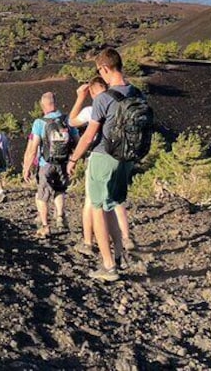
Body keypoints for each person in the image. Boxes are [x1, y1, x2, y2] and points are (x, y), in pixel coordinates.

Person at [67, 48, 147, 282]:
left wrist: (73, 159)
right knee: (111, 204)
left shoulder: (104, 98)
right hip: (127, 158)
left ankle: (108, 265)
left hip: (104, 157)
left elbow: (89, 135)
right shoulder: (137, 93)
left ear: (104, 69)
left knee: (97, 207)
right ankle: (119, 254)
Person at [69, 76, 136, 256]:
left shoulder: (94, 107)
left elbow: (72, 121)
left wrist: (79, 98)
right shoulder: (120, 103)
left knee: (92, 202)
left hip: (100, 157)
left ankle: (88, 242)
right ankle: (126, 238)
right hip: (123, 156)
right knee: (116, 201)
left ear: (91, 91)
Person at [23, 92, 77, 238]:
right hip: (63, 162)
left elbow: (33, 147)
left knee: (42, 196)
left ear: (43, 105)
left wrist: (27, 167)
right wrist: (73, 159)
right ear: (55, 103)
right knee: (60, 189)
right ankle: (60, 216)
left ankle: (45, 226)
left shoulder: (40, 123)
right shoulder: (66, 119)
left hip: (45, 163)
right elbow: (76, 139)